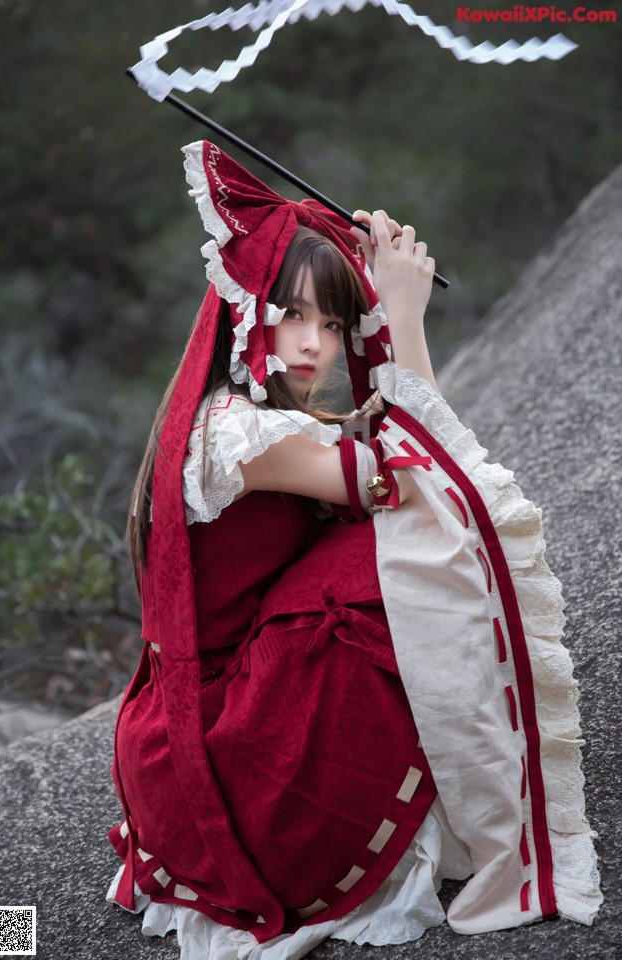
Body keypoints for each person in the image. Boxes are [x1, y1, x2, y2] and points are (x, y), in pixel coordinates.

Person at [107, 140, 602, 958]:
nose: (314, 344)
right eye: (293, 314)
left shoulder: (248, 422)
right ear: (244, 309)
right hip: (219, 752)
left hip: (201, 721)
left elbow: (410, 471)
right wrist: (402, 319)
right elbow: (425, 483)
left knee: (388, 550)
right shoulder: (241, 436)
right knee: (404, 556)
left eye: (333, 322)